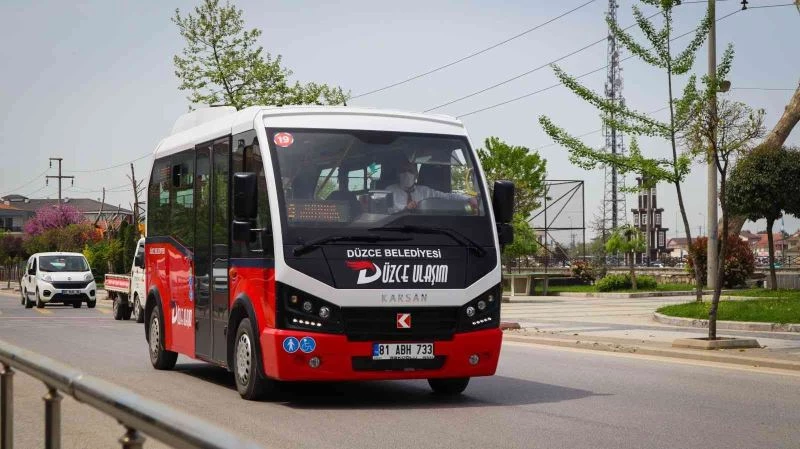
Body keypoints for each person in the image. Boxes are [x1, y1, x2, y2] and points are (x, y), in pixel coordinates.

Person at [385, 160, 477, 213]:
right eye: (403, 170)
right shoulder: (389, 190)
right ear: (398, 174)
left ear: (416, 175)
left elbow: (447, 196)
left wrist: (468, 199)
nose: (406, 174)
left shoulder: (425, 191)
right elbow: (388, 211)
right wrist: (405, 208)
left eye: (410, 171)